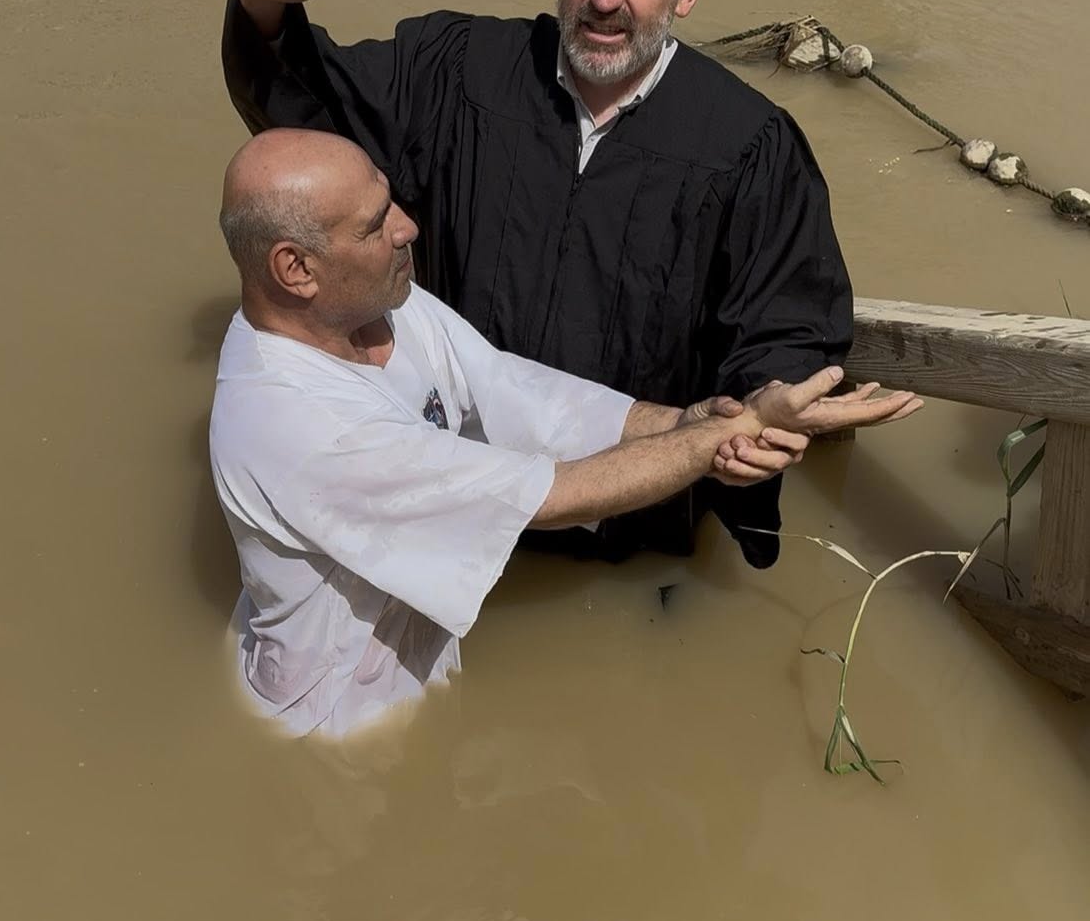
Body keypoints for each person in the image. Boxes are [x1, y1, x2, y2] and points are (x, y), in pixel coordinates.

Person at [221, 0, 915, 571]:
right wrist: (266, 10)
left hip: (632, 514)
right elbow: (307, 150)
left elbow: (786, 318)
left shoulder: (748, 146)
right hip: (440, 491)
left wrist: (749, 421)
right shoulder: (457, 70)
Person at [208, 129, 872, 739]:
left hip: (415, 667)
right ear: (296, 269)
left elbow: (512, 393)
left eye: (392, 203)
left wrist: (688, 421)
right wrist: (728, 435)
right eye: (375, 224)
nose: (408, 226)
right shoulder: (294, 421)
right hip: (333, 729)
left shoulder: (378, 307)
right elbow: (550, 497)